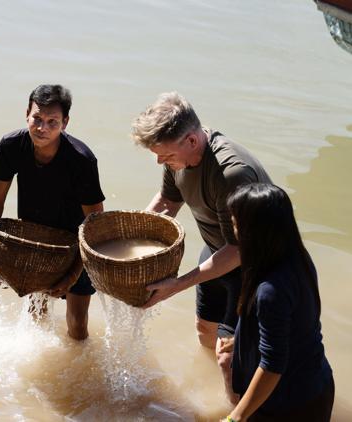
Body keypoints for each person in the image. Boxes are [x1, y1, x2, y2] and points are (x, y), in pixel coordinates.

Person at [130, 92, 272, 400]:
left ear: (192, 141)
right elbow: (168, 202)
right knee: (205, 329)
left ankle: (240, 411)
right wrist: (130, 236)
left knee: (229, 359)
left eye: (164, 156)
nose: (160, 161)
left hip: (255, 267)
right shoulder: (176, 157)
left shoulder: (231, 173)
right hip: (216, 251)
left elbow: (239, 250)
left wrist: (176, 284)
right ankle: (212, 392)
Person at [0, 84, 105, 341]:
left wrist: (73, 272)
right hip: (36, 244)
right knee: (36, 314)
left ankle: (78, 372)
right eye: (37, 119)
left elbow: (95, 224)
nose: (42, 128)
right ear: (27, 114)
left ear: (65, 123)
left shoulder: (81, 160)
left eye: (52, 122)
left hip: (76, 244)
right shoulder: (11, 145)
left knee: (78, 325)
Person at [219, 183, 334, 421]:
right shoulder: (297, 258)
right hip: (315, 384)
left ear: (254, 231)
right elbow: (295, 325)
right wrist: (241, 340)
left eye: (236, 224)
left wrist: (235, 417)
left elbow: (272, 366)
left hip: (290, 405)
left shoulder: (271, 290)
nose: (234, 231)